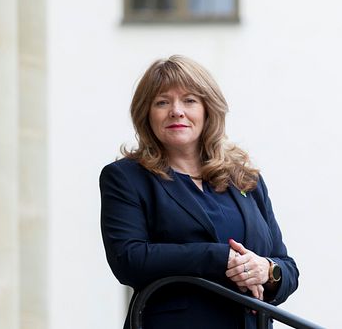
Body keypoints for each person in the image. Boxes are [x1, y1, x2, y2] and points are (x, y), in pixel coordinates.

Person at [100, 55, 299, 329]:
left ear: (208, 110)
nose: (176, 111)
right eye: (162, 102)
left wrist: (267, 270)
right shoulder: (127, 177)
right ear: (147, 114)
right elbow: (129, 259)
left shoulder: (245, 178)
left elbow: (287, 267)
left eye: (190, 100)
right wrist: (220, 259)